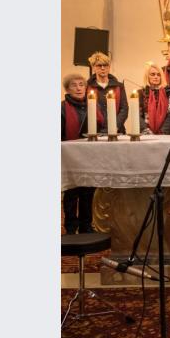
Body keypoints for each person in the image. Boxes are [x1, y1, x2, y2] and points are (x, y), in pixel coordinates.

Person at [61, 74, 95, 234]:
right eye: (74, 85)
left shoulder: (93, 105)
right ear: (67, 89)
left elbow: (102, 126)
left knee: (88, 191)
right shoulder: (61, 108)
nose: (79, 88)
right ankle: (70, 226)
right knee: (71, 192)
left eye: (81, 84)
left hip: (89, 154)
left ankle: (86, 226)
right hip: (69, 156)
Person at [86, 52, 128, 134]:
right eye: (99, 65)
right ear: (93, 67)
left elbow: (124, 109)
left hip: (117, 130)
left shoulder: (119, 86)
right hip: (95, 131)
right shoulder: (88, 87)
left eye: (105, 65)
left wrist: (115, 126)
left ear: (109, 67)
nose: (103, 68)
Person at [139, 63, 170, 134]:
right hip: (146, 133)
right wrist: (146, 130)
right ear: (147, 76)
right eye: (153, 74)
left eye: (158, 75)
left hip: (165, 133)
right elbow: (137, 115)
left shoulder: (169, 92)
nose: (156, 77)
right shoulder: (140, 93)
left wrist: (163, 132)